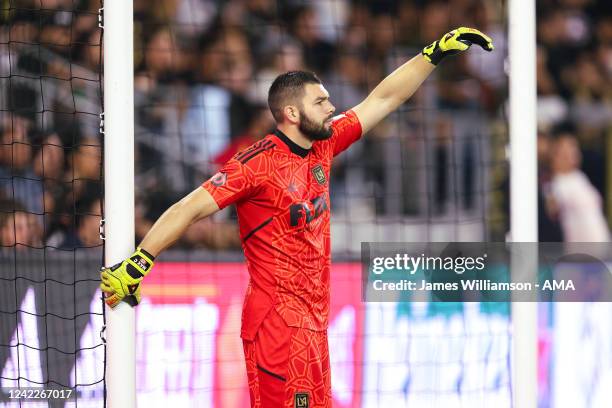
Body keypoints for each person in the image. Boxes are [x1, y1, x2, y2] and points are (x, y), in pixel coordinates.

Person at [101, 27, 493, 407]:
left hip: (314, 326)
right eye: (320, 102)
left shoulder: (322, 147)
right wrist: (139, 262)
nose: (332, 107)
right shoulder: (255, 164)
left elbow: (383, 100)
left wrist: (434, 54)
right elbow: (188, 208)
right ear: (291, 112)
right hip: (277, 327)